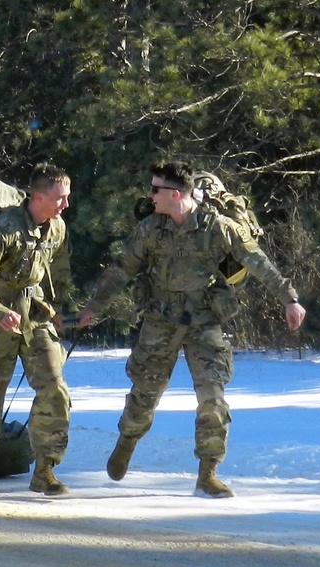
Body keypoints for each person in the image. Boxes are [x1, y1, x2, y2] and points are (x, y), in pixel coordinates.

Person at [77, 161, 306, 498]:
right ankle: (127, 439)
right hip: (161, 319)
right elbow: (121, 269)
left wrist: (290, 299)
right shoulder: (151, 229)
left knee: (212, 397)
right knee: (144, 393)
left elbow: (257, 263)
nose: (148, 195)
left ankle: (207, 473)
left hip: (204, 320)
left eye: (154, 189)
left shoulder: (219, 227)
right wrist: (92, 308)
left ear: (174, 194)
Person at [0, 163, 76, 496]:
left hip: (36, 315)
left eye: (67, 198)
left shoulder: (57, 228)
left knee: (55, 389)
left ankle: (45, 470)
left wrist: (60, 310)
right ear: (38, 197)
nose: (65, 205)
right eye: (59, 199)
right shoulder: (4, 228)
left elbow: (58, 272)